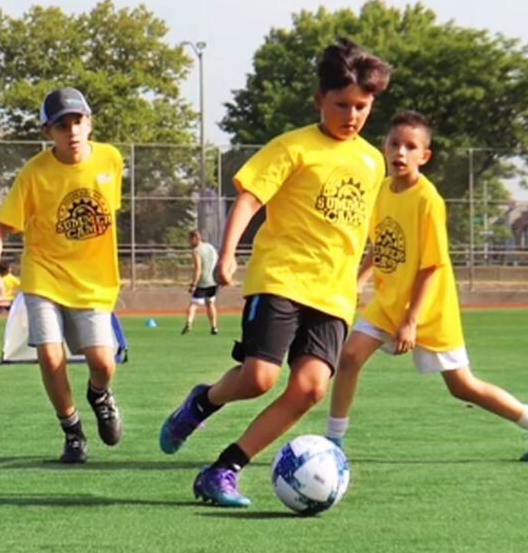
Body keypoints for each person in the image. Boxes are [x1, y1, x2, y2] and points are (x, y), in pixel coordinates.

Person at [158, 38, 390, 507]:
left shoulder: (372, 161)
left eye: (362, 106)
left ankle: (223, 469)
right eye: (341, 104)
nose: (351, 115)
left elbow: (364, 229)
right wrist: (227, 254)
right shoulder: (293, 147)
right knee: (259, 377)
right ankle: (202, 402)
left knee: (308, 390)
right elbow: (250, 197)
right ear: (318, 100)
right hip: (281, 278)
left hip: (333, 296)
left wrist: (365, 276)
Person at [325, 110, 528, 460]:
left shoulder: (428, 200)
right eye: (395, 143)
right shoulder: (380, 190)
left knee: (462, 387)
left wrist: (411, 319)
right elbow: (382, 245)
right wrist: (359, 279)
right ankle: (333, 442)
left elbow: (432, 265)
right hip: (387, 301)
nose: (401, 152)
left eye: (411, 147)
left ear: (424, 156)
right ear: (384, 146)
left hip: (429, 310)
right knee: (349, 358)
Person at [0, 87, 124, 464]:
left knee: (103, 362)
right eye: (62, 125)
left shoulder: (111, 160)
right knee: (49, 355)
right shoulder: (34, 174)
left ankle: (99, 394)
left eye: (78, 122)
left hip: (94, 282)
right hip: (43, 276)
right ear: (48, 132)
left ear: (89, 122)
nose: (72, 131)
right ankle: (72, 430)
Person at [181, 228, 219, 335]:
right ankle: (214, 327)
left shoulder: (196, 250)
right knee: (210, 303)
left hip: (203, 281)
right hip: (213, 281)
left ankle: (188, 323)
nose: (189, 242)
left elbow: (198, 268)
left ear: (195, 238)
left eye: (190, 239)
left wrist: (194, 283)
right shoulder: (210, 247)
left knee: (193, 304)